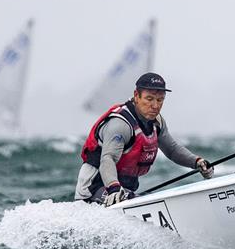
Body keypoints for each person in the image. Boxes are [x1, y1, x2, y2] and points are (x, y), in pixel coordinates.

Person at [75, 72, 213, 205]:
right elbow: (108, 159)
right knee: (135, 200)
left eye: (160, 100)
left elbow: (172, 150)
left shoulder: (156, 122)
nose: (155, 105)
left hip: (123, 190)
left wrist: (197, 162)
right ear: (136, 96)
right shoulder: (121, 124)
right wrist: (114, 188)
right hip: (93, 190)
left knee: (144, 199)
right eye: (149, 99)